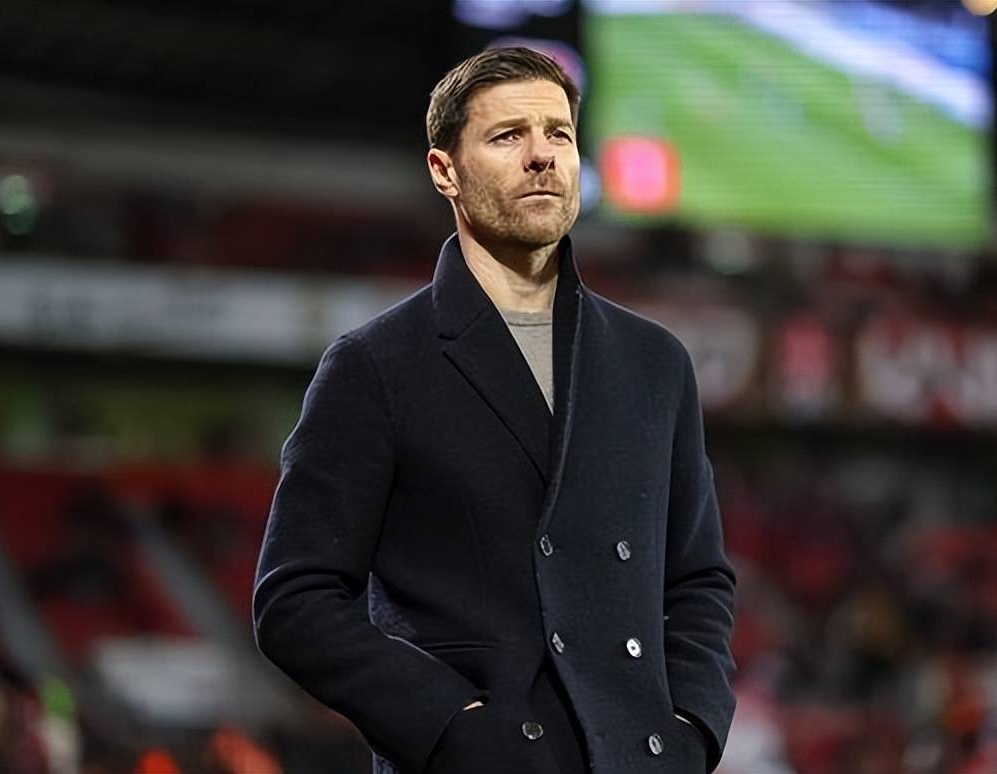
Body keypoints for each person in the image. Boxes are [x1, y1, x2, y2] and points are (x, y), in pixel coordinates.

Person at [252, 47, 736, 774]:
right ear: (444, 170)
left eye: (559, 134)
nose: (542, 155)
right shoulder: (375, 366)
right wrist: (451, 726)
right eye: (508, 136)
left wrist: (693, 728)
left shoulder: (654, 361)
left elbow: (698, 581)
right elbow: (295, 600)